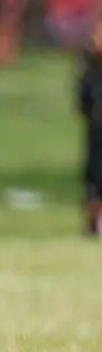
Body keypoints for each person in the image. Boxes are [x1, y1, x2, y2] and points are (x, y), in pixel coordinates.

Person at [80, 18, 102, 236]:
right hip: (97, 129)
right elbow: (83, 101)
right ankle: (93, 225)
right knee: (94, 177)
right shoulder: (91, 73)